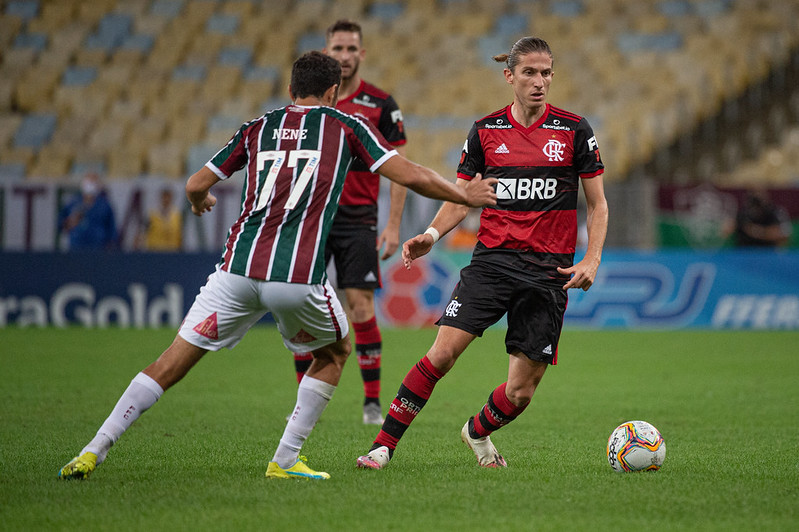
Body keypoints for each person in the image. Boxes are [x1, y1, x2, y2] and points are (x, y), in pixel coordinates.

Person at [58, 51, 497, 481]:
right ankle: (285, 459)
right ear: (333, 91)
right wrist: (463, 195)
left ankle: (92, 449)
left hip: (235, 270)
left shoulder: (258, 126)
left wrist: (199, 201)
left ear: (290, 89)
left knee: (170, 363)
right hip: (295, 275)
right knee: (336, 351)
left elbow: (195, 184)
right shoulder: (346, 126)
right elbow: (411, 174)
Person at [356, 37, 609, 470]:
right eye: (529, 73)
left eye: (546, 73)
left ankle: (476, 431)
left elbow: (598, 205)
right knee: (441, 354)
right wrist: (431, 234)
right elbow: (461, 198)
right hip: (492, 262)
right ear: (509, 76)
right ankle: (382, 447)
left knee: (520, 393)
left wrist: (592, 259)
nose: (539, 81)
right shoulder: (485, 131)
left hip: (547, 273)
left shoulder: (574, 131)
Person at [291, 20, 408, 425]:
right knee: (302, 306)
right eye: (338, 48)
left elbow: (399, 169)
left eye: (351, 48)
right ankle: (303, 404)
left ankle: (372, 403)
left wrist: (393, 226)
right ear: (326, 52)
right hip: (312, 217)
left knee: (360, 306)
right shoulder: (311, 100)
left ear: (362, 53)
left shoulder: (381, 104)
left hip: (358, 220)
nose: (344, 55)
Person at [58, 172, 118, 250]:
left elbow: (112, 228)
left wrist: (111, 244)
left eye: (93, 181)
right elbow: (61, 222)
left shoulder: (104, 205)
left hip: (98, 248)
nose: (90, 184)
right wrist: (69, 223)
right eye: (89, 181)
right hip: (76, 246)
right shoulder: (73, 202)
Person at [139, 187, 183, 251]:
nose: (166, 200)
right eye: (164, 197)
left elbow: (180, 235)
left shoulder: (177, 216)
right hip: (155, 250)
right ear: (161, 198)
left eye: (168, 198)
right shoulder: (152, 215)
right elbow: (143, 232)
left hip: (172, 251)